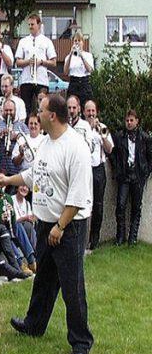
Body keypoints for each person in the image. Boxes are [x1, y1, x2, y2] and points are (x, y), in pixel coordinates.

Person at [0, 94, 94, 354]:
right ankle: (34, 324)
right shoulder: (48, 142)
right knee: (44, 279)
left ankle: (81, 342)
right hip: (47, 223)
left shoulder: (76, 148)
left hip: (68, 226)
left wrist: (60, 227)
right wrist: (7, 180)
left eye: (41, 109)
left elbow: (78, 195)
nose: (36, 113)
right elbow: (34, 173)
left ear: (52, 116)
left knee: (72, 286)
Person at [109, 110, 151, 245]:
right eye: (127, 120)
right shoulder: (119, 136)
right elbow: (112, 153)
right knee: (120, 206)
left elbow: (150, 157)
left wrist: (146, 172)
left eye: (131, 120)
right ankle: (120, 237)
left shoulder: (144, 137)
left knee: (136, 207)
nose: (129, 123)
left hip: (138, 176)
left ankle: (132, 238)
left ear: (137, 121)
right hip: (124, 176)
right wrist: (117, 169)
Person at [82, 100, 113, 251]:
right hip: (84, 169)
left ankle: (94, 238)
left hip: (98, 168)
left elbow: (109, 150)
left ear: (96, 112)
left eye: (93, 111)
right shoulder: (81, 128)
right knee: (83, 203)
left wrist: (103, 136)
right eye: (88, 111)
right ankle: (83, 238)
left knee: (98, 205)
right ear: (84, 112)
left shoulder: (103, 127)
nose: (91, 114)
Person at [14, 14, 57, 114]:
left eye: (32, 24)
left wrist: (41, 62)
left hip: (41, 80)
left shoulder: (47, 41)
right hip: (26, 80)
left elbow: (54, 62)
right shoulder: (23, 41)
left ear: (39, 25)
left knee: (43, 108)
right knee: (26, 109)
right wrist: (28, 61)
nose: (30, 27)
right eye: (29, 24)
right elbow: (18, 62)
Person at [64, 32, 95, 108]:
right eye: (75, 40)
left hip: (84, 83)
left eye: (79, 40)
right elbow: (65, 72)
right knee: (72, 106)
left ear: (83, 43)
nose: (77, 42)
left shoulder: (88, 55)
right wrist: (71, 54)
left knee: (86, 106)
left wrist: (81, 56)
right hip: (74, 83)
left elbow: (90, 70)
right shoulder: (68, 57)